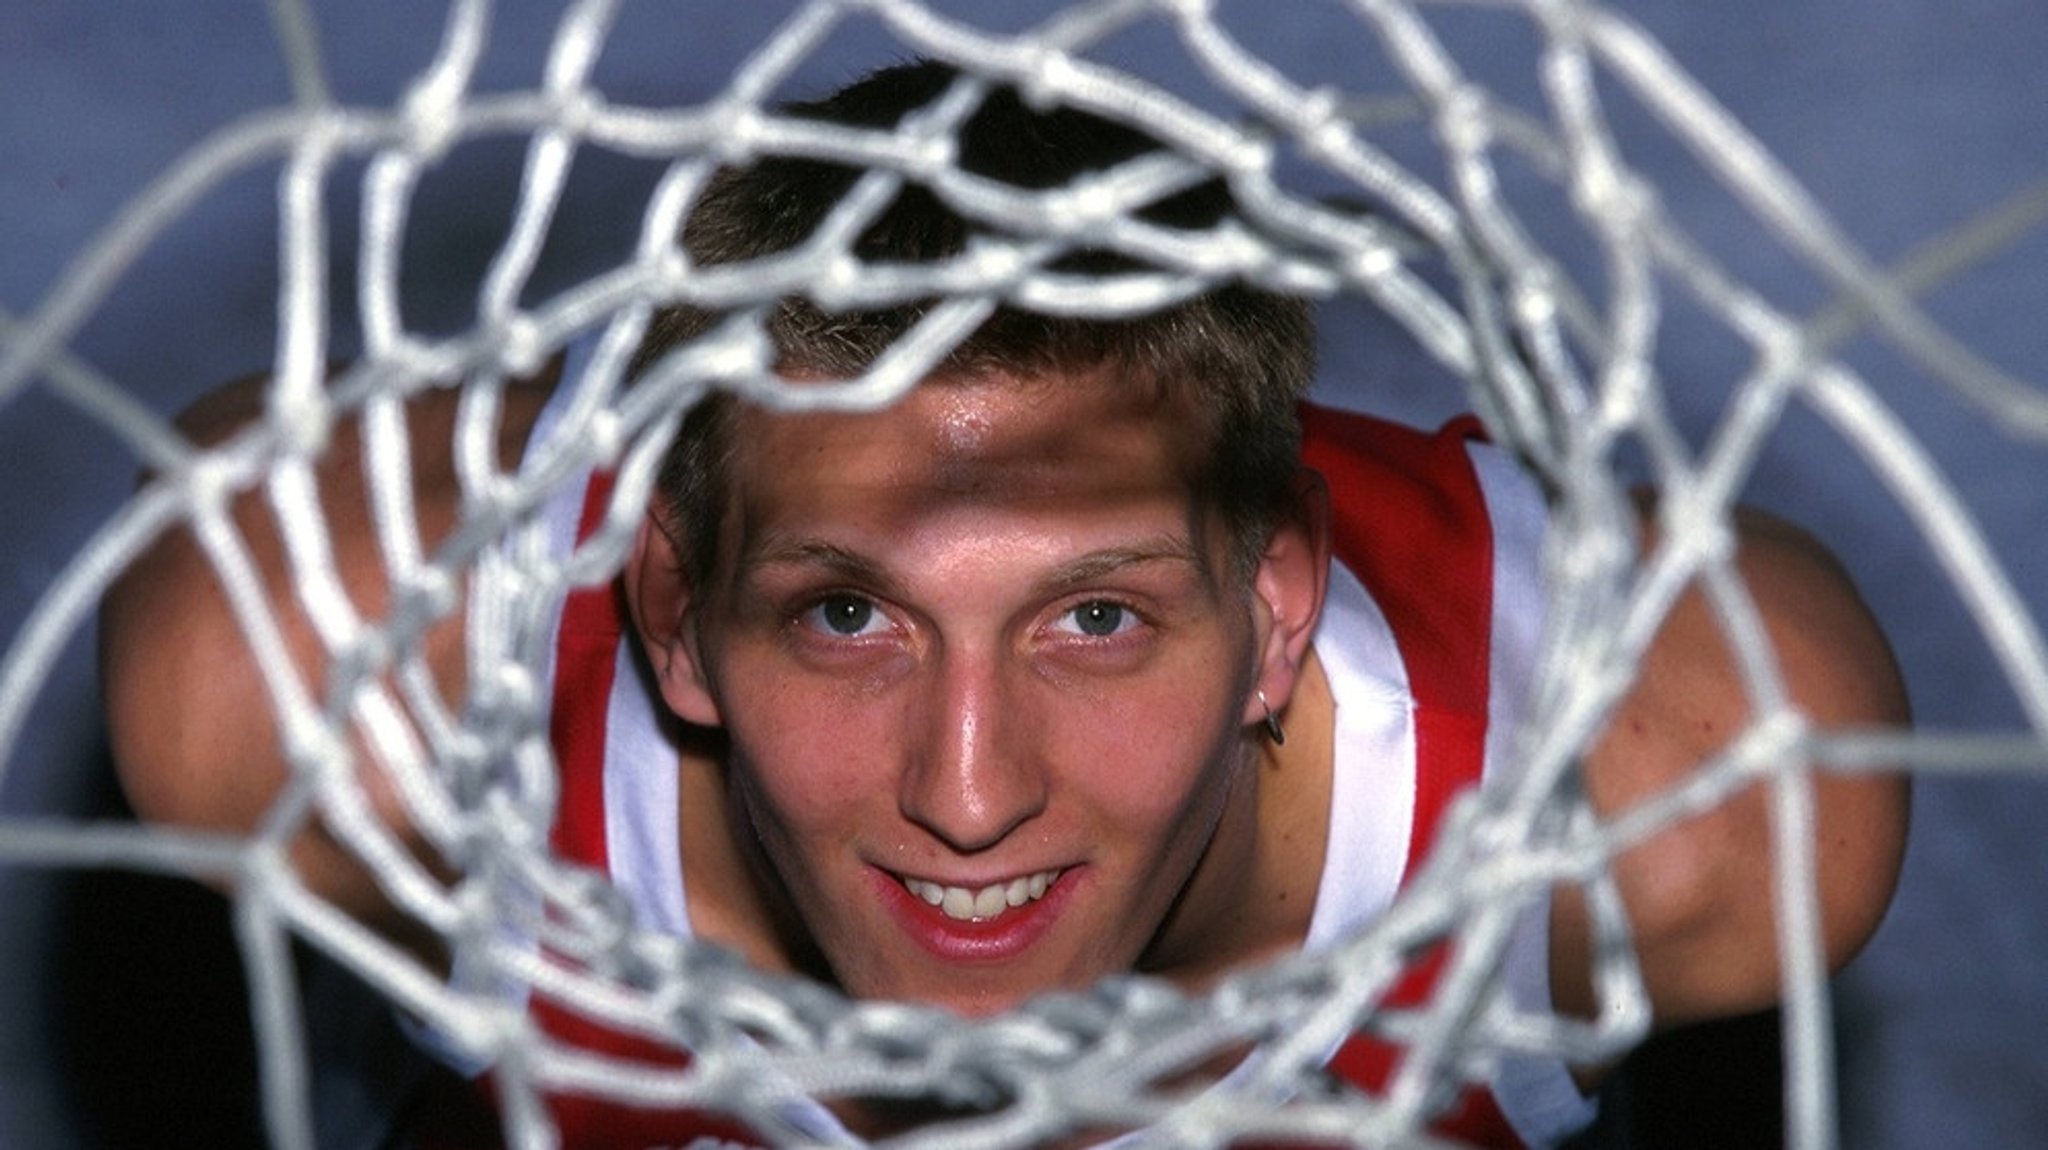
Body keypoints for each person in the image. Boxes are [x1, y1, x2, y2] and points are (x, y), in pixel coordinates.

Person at [100, 60, 1910, 1148]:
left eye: (1095, 619)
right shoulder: (321, 677)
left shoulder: (1695, 793)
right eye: (848, 618)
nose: (970, 793)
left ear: (1282, 606)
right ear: (666, 608)